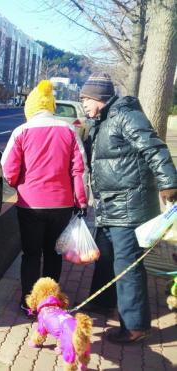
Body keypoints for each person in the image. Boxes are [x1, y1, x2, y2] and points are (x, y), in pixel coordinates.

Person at [80, 72, 177, 344]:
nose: (83, 103)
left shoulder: (125, 115)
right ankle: (101, 302)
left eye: (86, 98)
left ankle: (135, 326)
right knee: (106, 255)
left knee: (126, 266)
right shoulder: (102, 121)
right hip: (110, 206)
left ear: (100, 97)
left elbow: (154, 148)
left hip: (128, 207)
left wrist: (169, 181)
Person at [1, 80, 88, 316]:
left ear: (29, 107)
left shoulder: (21, 131)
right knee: (53, 253)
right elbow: (79, 170)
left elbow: (8, 170)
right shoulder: (69, 130)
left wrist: (20, 184)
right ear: (51, 106)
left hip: (30, 205)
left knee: (31, 254)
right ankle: (50, 301)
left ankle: (29, 302)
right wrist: (82, 201)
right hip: (62, 205)